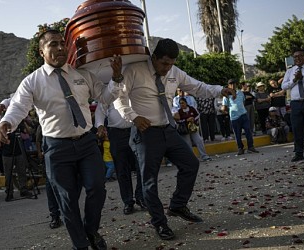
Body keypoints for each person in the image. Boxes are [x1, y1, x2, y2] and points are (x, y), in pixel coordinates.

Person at [0, 30, 123, 250]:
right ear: (42, 51)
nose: (60, 49)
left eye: (62, 44)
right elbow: (18, 106)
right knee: (67, 201)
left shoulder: (81, 74)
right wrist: (7, 123)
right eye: (53, 45)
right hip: (57, 148)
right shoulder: (32, 81)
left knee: (97, 187)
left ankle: (91, 231)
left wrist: (117, 77)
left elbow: (105, 97)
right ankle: (80, 245)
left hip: (86, 143)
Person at [113, 38, 235, 240]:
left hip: (168, 130)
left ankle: (178, 206)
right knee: (149, 182)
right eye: (163, 63)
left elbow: (198, 87)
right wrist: (133, 117)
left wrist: (220, 90)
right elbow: (119, 98)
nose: (167, 68)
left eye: (171, 64)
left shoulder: (174, 72)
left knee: (191, 164)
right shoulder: (134, 70)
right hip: (145, 132)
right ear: (154, 57)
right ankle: (160, 223)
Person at [95, 102, 145, 215]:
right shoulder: (109, 90)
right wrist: (100, 125)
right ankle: (128, 201)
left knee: (141, 165)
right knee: (122, 169)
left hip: (136, 130)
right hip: (116, 134)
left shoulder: (133, 87)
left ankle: (141, 197)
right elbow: (100, 109)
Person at [223, 79, 260, 155]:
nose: (232, 86)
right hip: (234, 117)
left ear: (236, 85)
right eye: (231, 84)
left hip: (243, 114)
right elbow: (224, 107)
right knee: (237, 134)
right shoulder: (226, 96)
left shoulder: (240, 92)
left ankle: (250, 147)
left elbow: (243, 102)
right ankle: (240, 148)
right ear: (228, 86)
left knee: (248, 131)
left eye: (234, 84)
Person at [1, 121, 33, 201]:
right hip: (7, 154)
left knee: (22, 172)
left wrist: (23, 122)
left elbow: (29, 132)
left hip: (19, 152)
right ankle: (9, 192)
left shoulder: (18, 123)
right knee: (8, 174)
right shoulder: (2, 124)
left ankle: (23, 190)